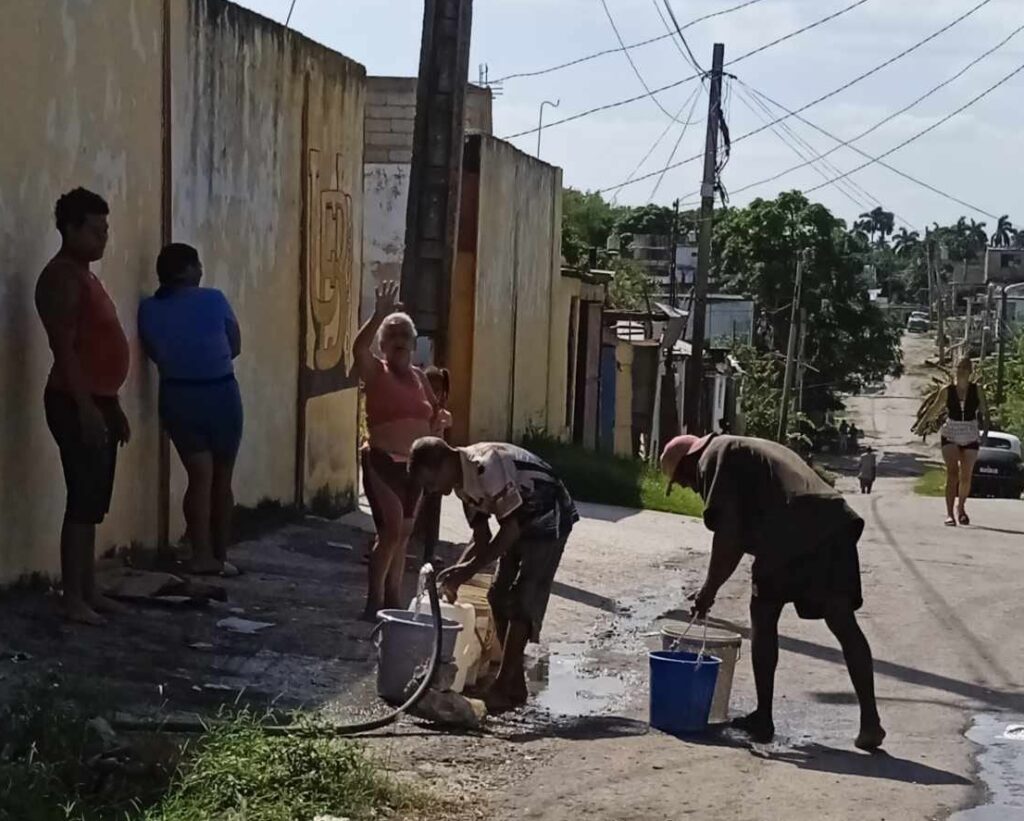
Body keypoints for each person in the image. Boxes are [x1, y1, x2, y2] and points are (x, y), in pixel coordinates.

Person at [660, 433, 885, 750]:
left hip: (790, 524)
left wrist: (708, 591)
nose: (688, 487)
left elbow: (729, 535)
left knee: (763, 615)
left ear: (688, 464)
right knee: (842, 621)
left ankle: (763, 717)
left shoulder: (715, 456)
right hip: (832, 520)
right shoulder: (739, 446)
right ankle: (871, 722)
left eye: (682, 481)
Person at [409, 437, 578, 712]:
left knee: (525, 598)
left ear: (443, 465)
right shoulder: (462, 486)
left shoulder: (486, 467)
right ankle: (515, 682)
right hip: (516, 522)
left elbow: (509, 531)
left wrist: (465, 571)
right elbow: (482, 538)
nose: (431, 492)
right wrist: (455, 573)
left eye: (430, 483)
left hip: (548, 514)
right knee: (497, 595)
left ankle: (503, 684)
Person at [35, 188, 131, 625]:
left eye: (105, 229)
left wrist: (112, 406)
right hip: (75, 401)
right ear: (70, 229)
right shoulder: (61, 277)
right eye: (94, 230)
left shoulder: (87, 275)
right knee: (81, 498)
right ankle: (72, 597)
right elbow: (65, 349)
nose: (102, 238)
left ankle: (89, 589)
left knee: (94, 501)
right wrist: (87, 407)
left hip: (99, 399)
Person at [138, 244, 243, 576]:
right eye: (196, 265)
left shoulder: (149, 309)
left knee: (199, 477)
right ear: (186, 270)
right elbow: (235, 343)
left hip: (179, 395)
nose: (201, 271)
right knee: (221, 479)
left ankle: (201, 555)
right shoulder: (214, 299)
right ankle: (219, 556)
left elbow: (156, 352)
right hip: (220, 392)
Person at [352, 282, 439, 619]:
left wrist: (441, 422)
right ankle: (373, 600)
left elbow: (434, 414)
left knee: (403, 535)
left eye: (406, 336)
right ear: (384, 346)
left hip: (413, 467)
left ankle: (392, 599)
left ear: (414, 345)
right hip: (383, 461)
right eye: (394, 336)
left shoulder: (419, 377)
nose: (400, 341)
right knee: (389, 531)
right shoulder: (376, 371)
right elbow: (358, 348)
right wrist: (379, 314)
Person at [917, 357, 989, 526]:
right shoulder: (947, 390)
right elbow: (934, 409)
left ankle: (961, 507)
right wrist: (922, 424)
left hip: (970, 432)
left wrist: (985, 432)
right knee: (952, 473)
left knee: (966, 476)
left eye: (964, 368)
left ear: (970, 372)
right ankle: (949, 514)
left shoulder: (977, 390)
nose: (961, 371)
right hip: (951, 432)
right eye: (959, 368)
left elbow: (985, 412)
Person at [414, 366, 453, 565]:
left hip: (436, 467)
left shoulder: (442, 414)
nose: (434, 394)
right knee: (412, 508)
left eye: (438, 390)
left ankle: (429, 553)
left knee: (433, 510)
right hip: (420, 465)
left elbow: (445, 421)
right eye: (430, 388)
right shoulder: (418, 409)